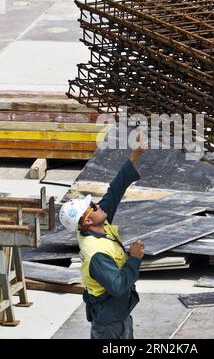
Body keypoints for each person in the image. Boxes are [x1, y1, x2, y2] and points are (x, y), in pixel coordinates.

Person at [59, 134, 147, 339]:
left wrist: (135, 156)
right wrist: (134, 258)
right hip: (109, 325)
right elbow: (117, 286)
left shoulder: (98, 224)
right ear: (87, 220)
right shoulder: (96, 254)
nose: (98, 205)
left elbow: (114, 191)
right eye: (92, 207)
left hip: (119, 315)